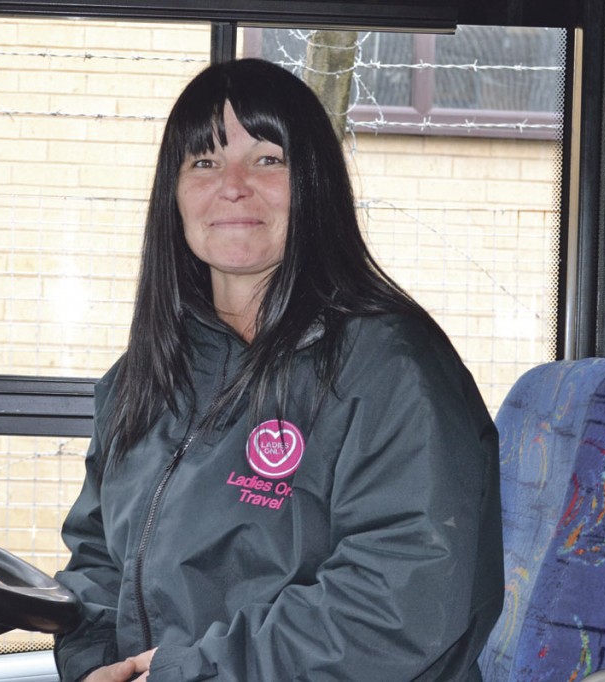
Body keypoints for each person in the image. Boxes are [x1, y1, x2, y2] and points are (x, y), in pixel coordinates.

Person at [53, 58, 504, 681]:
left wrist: (190, 672)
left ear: (314, 184)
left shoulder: (392, 367)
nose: (232, 185)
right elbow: (97, 557)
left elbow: (400, 604)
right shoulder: (142, 377)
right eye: (204, 162)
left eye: (268, 160)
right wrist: (95, 667)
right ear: (175, 194)